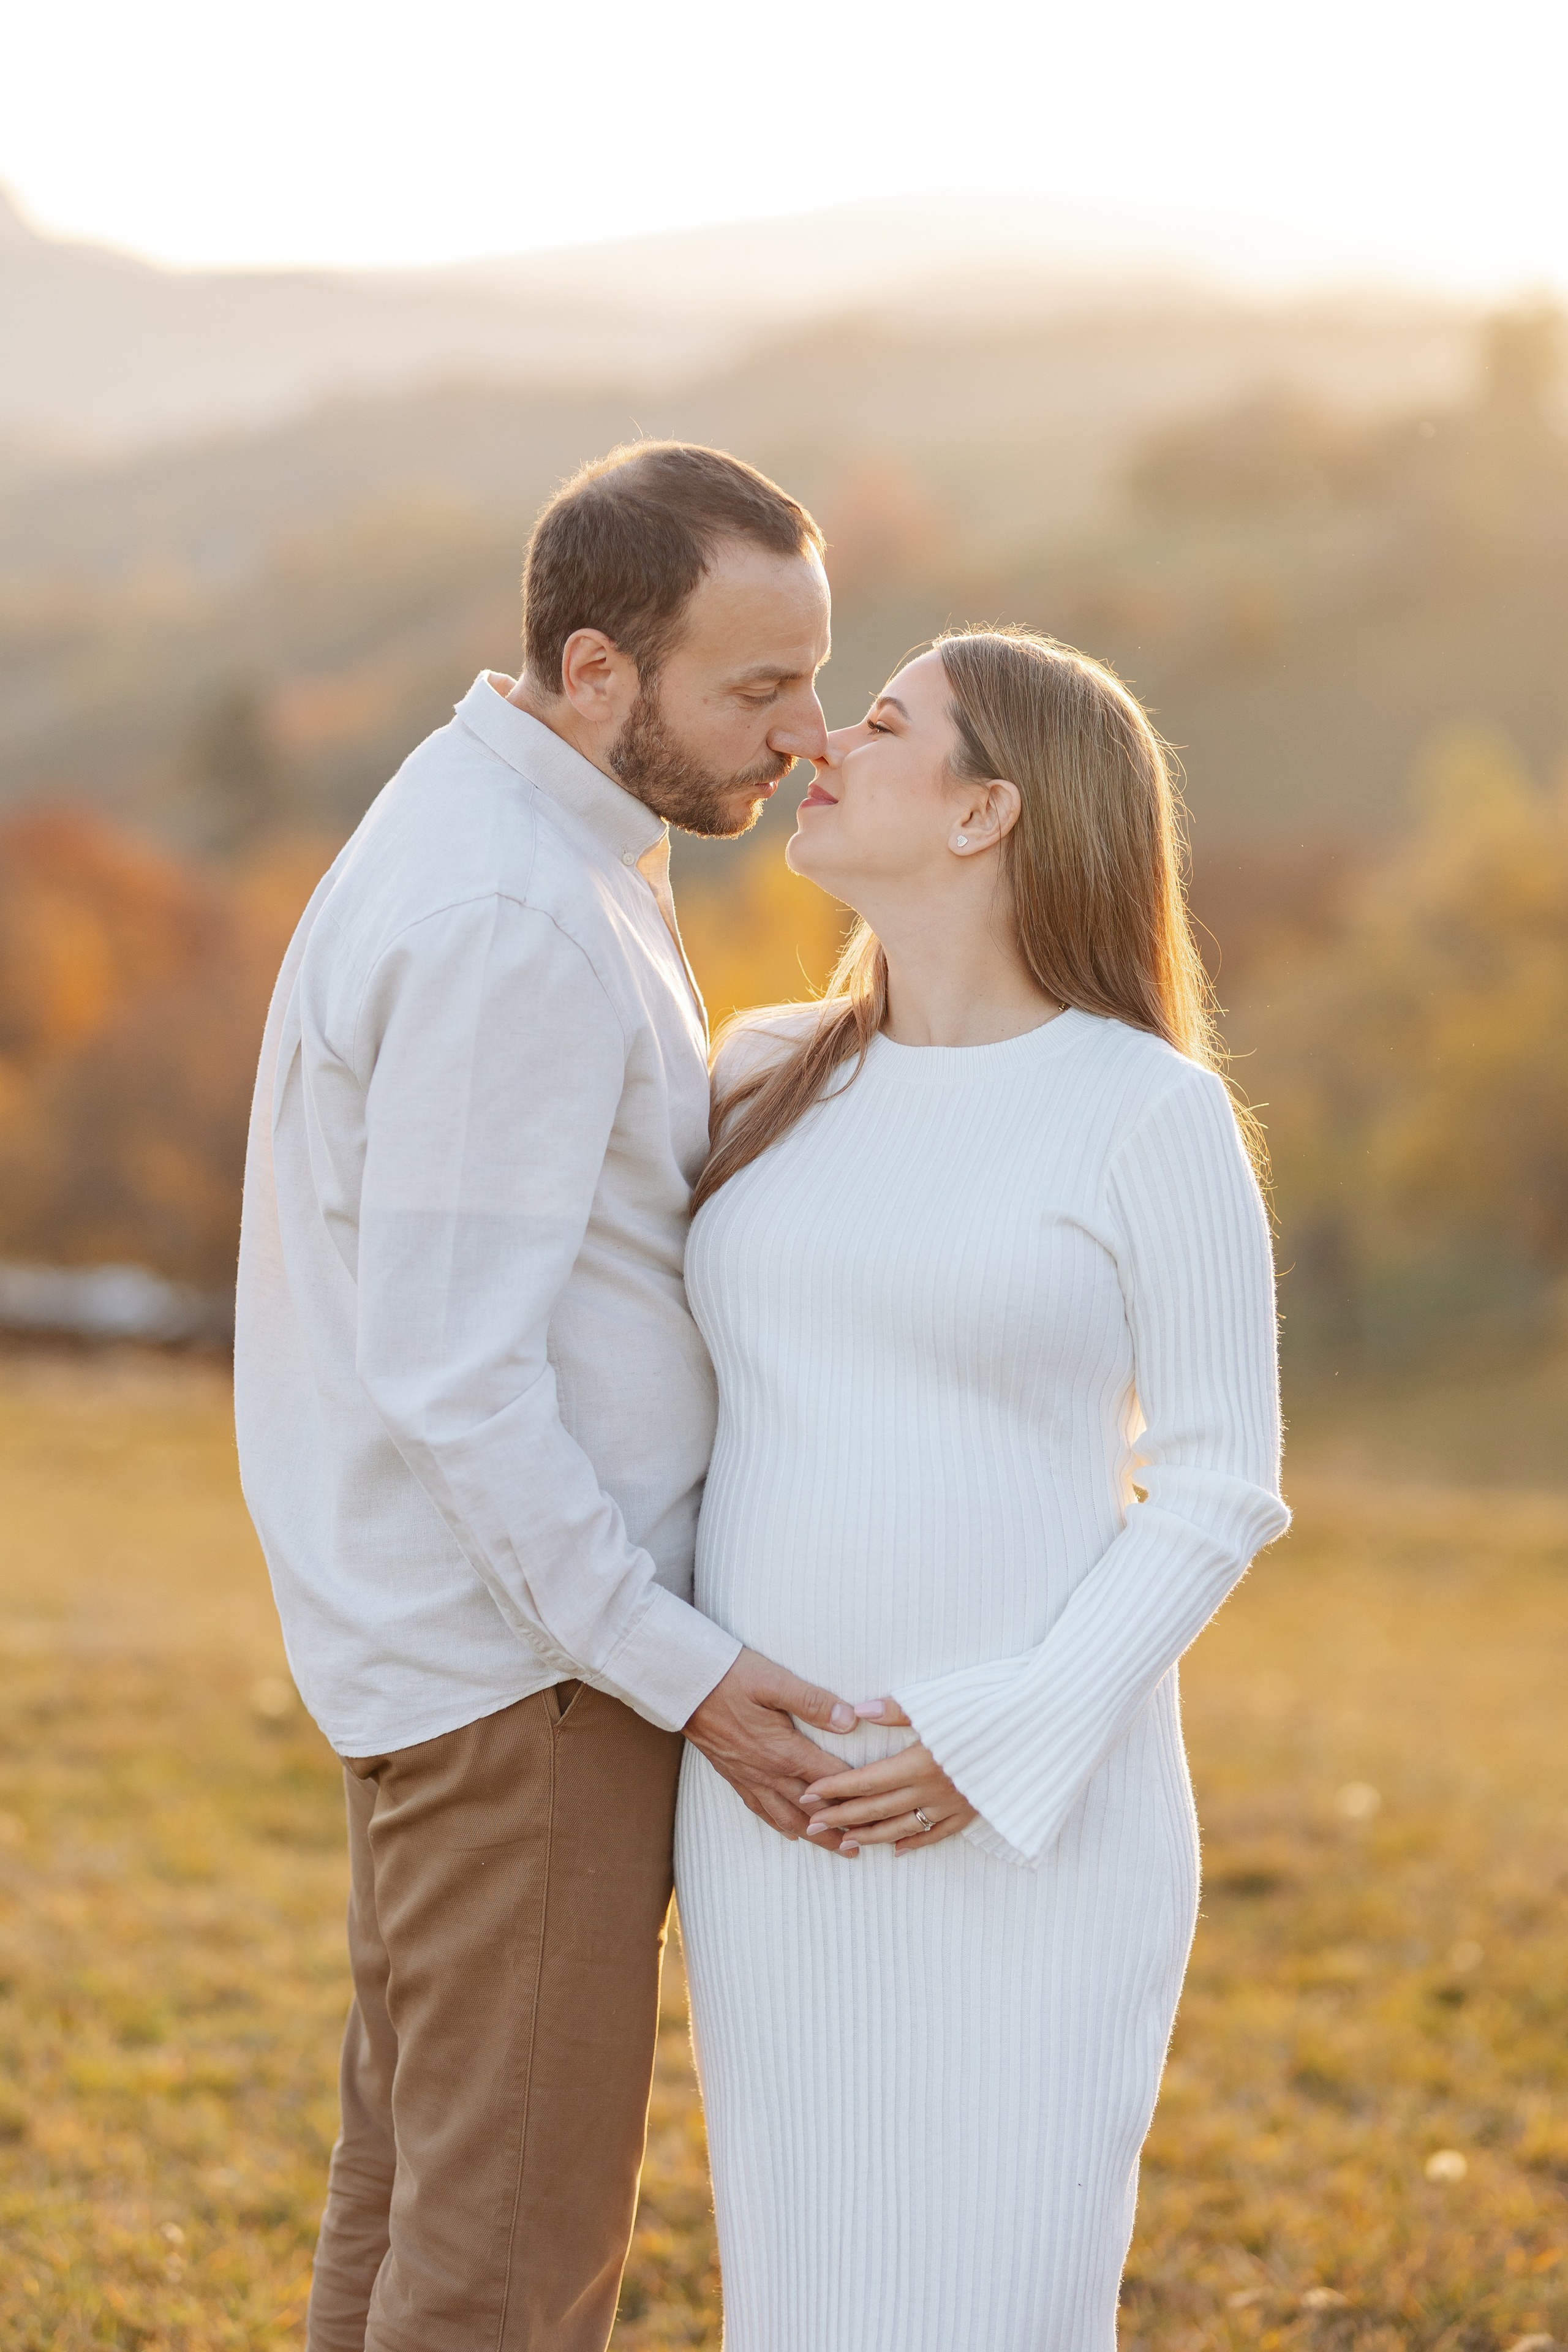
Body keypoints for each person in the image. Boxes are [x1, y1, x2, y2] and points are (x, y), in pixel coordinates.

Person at [234, 440, 858, 2352]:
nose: (807, 737)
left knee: (421, 2207)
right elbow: (459, 1381)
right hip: (536, 1687)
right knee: (507, 2268)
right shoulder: (512, 914)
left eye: (814, 678)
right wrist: (675, 1667)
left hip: (484, 1667)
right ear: (599, 674)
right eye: (757, 690)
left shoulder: (528, 836)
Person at [674, 626, 1291, 2351]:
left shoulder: (1144, 1114)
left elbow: (1223, 1485)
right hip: (774, 1816)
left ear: (985, 814)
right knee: (800, 2300)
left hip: (1035, 1825)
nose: (822, 746)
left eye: (880, 725)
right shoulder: (759, 1073)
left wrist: (993, 1742)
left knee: (996, 2307)